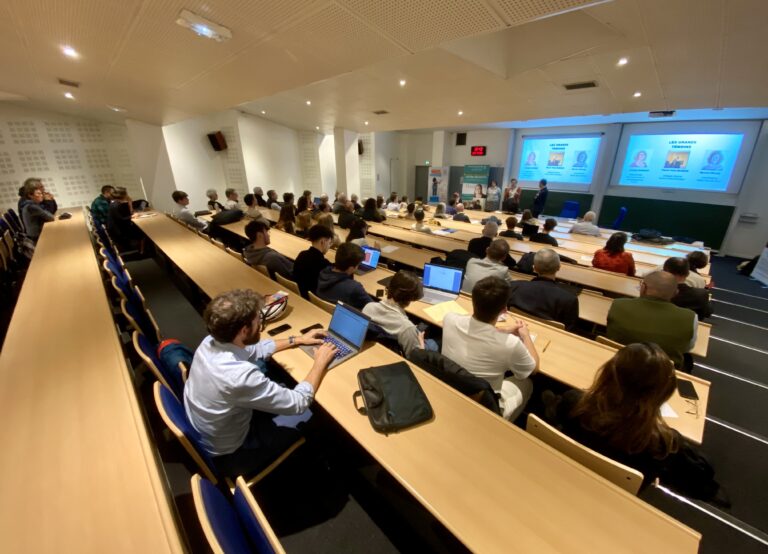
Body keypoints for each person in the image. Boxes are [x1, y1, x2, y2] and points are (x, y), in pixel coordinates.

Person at [183, 289, 337, 478]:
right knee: (317, 417)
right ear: (244, 331)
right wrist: (320, 362)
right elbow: (299, 402)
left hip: (214, 433)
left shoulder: (211, 342)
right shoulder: (239, 376)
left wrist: (298, 339)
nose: (261, 327)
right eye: (259, 322)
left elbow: (254, 349)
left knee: (276, 380)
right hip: (235, 453)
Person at [544, 343, 722, 500]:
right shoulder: (663, 443)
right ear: (661, 394)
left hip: (564, 478)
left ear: (607, 375)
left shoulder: (574, 403)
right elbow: (703, 472)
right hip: (613, 501)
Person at [442, 276, 539, 421]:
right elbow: (533, 369)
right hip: (486, 406)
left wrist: (503, 331)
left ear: (473, 301)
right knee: (527, 383)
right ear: (504, 310)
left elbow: (478, 330)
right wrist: (525, 336)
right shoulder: (510, 344)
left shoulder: (449, 319)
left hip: (451, 389)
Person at [607, 271, 697, 369]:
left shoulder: (618, 304)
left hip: (618, 365)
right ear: (675, 293)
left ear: (643, 288)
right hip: (661, 374)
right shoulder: (690, 317)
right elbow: (687, 347)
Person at [363, 270, 435, 356]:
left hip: (377, 352)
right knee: (433, 343)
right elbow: (416, 359)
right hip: (401, 354)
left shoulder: (368, 307)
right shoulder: (407, 328)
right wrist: (421, 343)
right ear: (411, 299)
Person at [508, 249, 579, 331]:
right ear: (559, 267)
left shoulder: (513, 286)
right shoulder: (569, 300)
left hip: (518, 329)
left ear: (534, 268)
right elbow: (569, 330)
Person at [316, 242, 372, 310]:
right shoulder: (354, 287)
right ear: (351, 268)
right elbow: (373, 307)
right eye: (358, 265)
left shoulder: (323, 273)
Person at [293, 224, 334, 298]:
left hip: (298, 294)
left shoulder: (302, 254)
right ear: (323, 241)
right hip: (310, 299)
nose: (329, 246)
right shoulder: (323, 264)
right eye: (329, 243)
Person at [107, 187, 142, 251]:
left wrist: (130, 203)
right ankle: (142, 250)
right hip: (118, 231)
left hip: (117, 228)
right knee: (140, 231)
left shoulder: (116, 203)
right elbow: (121, 219)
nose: (127, 195)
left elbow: (126, 214)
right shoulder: (116, 205)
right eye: (126, 193)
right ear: (122, 195)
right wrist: (132, 216)